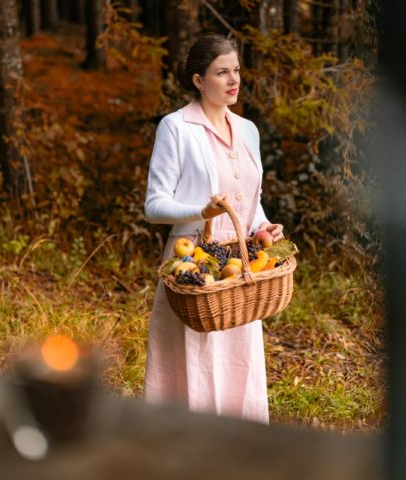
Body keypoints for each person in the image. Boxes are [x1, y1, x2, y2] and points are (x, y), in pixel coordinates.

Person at [143, 33, 285, 424]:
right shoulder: (176, 128)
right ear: (198, 80)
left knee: (238, 358)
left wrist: (263, 225)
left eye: (236, 70)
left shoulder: (248, 130)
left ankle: (239, 447)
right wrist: (201, 211)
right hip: (193, 268)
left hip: (240, 266)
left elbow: (249, 200)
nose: (233, 79)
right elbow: (154, 205)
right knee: (196, 360)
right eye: (222, 72)